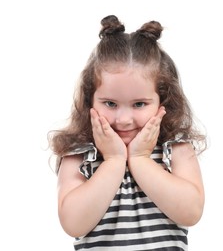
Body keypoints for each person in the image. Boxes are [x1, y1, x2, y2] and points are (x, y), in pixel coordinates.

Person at [48, 15, 207, 250]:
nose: (123, 120)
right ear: (90, 100)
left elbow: (191, 213)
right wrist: (113, 160)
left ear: (163, 100)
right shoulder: (80, 153)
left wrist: (141, 159)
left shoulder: (175, 148)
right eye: (110, 104)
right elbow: (73, 224)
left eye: (139, 104)